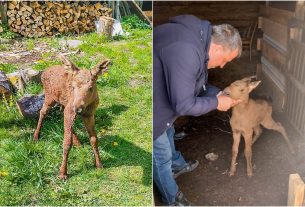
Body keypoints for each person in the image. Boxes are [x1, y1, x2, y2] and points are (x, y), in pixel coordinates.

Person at [153, 15, 242, 205]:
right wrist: (217, 104)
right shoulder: (187, 50)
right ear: (218, 47)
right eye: (225, 59)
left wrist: (218, 94)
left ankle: (176, 165)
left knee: (168, 129)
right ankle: (172, 198)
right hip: (151, 105)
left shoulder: (198, 38)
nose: (222, 66)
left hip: (160, 96)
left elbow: (196, 83)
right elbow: (183, 105)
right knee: (160, 155)